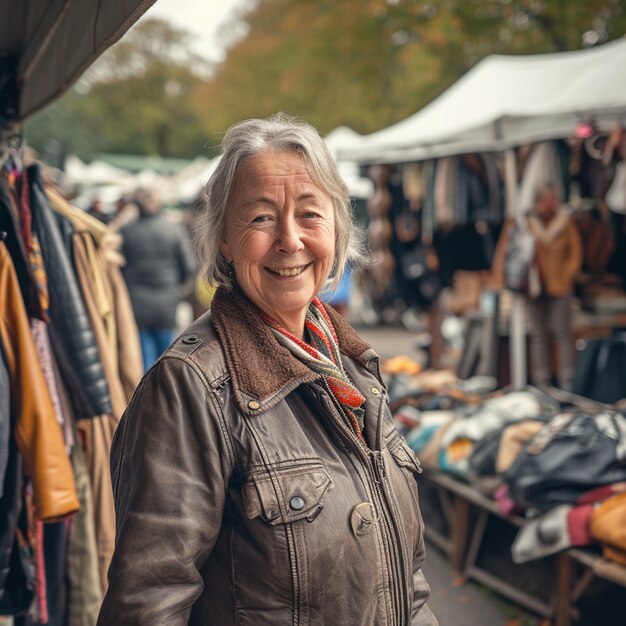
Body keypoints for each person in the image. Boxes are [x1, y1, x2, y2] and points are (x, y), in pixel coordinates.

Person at [98, 115, 437, 625]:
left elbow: (406, 585)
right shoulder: (191, 388)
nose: (289, 239)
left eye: (309, 214)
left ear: (337, 229)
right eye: (260, 218)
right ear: (225, 241)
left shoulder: (351, 368)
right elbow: (147, 607)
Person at [494, 183, 582, 389]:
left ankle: (567, 382)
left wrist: (568, 275)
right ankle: (542, 384)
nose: (549, 206)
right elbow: (508, 252)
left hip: (559, 285)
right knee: (539, 336)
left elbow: (575, 253)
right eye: (546, 201)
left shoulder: (564, 221)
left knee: (562, 334)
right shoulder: (525, 222)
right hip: (532, 287)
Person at [119, 187, 195, 370]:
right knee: (167, 357)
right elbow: (189, 266)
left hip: (136, 300)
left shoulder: (126, 231)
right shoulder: (173, 230)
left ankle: (145, 394)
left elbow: (118, 268)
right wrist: (179, 290)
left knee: (144, 357)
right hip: (166, 299)